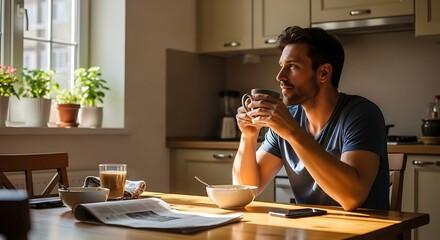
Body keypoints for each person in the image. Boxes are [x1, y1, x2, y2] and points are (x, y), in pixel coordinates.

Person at [233, 26, 389, 211]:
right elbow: (245, 190)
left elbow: (352, 198)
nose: (280, 76)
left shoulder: (361, 114)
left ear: (323, 73)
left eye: (292, 66)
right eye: (281, 66)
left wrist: (292, 132)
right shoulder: (288, 119)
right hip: (311, 229)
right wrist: (248, 136)